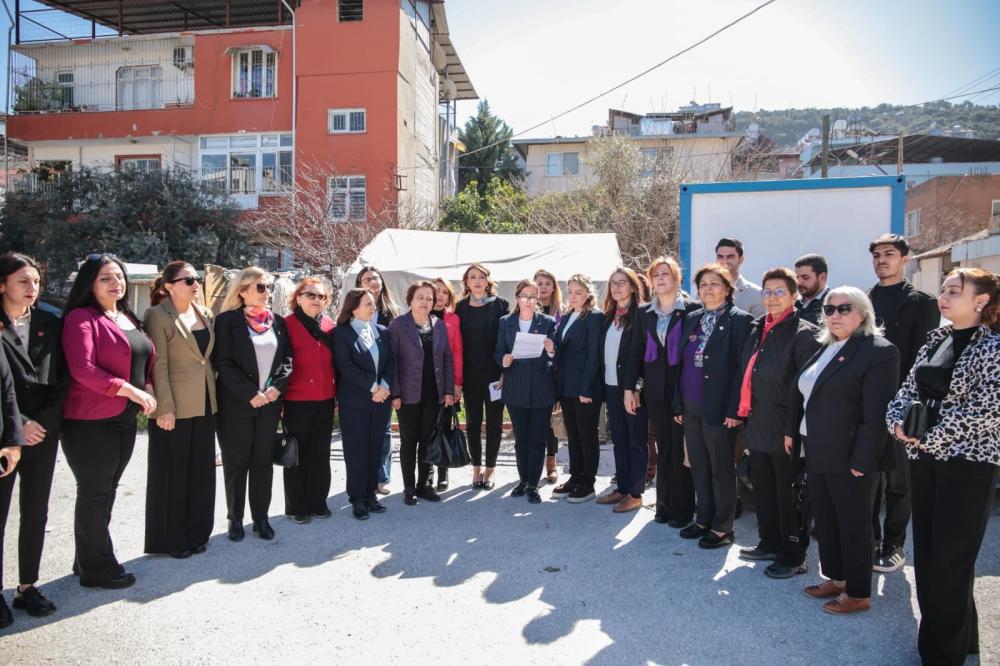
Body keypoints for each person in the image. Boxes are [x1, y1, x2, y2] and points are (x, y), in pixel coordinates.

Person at [886, 268, 1000, 663]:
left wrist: (927, 437)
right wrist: (897, 423)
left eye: (954, 290)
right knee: (932, 554)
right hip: (925, 460)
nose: (944, 297)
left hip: (968, 465)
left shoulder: (994, 347)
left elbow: (986, 409)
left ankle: (941, 654)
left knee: (952, 557)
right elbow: (907, 389)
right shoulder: (938, 338)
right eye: (944, 289)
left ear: (981, 300)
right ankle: (962, 638)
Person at [788, 287, 899, 615]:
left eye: (843, 309)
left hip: (852, 455)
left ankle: (859, 591)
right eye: (829, 309)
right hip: (819, 448)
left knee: (854, 524)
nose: (834, 315)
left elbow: (876, 413)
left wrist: (863, 460)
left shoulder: (879, 351)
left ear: (862, 313)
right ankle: (836, 578)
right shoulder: (827, 346)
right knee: (827, 520)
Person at [61, 254, 156, 589]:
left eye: (119, 276)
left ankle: (85, 557)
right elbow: (83, 370)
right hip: (89, 421)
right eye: (105, 278)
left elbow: (142, 359)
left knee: (106, 490)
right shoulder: (80, 318)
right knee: (95, 492)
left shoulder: (126, 315)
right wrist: (130, 390)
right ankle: (97, 569)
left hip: (123, 418)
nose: (116, 283)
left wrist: (147, 389)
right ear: (89, 283)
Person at [736, 267, 820, 578]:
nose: (771, 298)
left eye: (779, 292)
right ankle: (769, 541)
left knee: (789, 495)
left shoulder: (804, 333)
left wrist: (792, 429)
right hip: (758, 422)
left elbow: (806, 388)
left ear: (794, 296)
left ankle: (793, 554)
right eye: (767, 292)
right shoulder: (759, 328)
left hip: (786, 428)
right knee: (764, 490)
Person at [867, 233, 939, 573]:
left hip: (902, 403)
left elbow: (925, 360)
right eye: (878, 255)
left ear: (905, 259)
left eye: (890, 254)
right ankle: (867, 540)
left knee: (898, 482)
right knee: (866, 479)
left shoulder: (922, 303)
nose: (882, 260)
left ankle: (893, 545)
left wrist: (911, 406)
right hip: (865, 404)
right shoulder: (863, 300)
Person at [674, 264, 753, 548]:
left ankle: (723, 526)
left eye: (714, 283)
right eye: (703, 284)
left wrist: (735, 410)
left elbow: (742, 370)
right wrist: (678, 404)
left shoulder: (741, 321)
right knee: (698, 464)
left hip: (720, 407)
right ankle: (703, 518)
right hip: (690, 403)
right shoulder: (693, 317)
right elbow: (681, 364)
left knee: (721, 467)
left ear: (728, 288)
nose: (708, 288)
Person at [143, 261, 216, 559]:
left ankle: (198, 533)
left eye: (196, 278)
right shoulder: (157, 315)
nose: (195, 283)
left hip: (206, 403)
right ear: (169, 286)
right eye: (187, 280)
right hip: (174, 407)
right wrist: (165, 408)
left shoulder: (206, 313)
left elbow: (206, 360)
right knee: (173, 475)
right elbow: (157, 365)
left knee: (201, 473)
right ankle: (171, 540)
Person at [214, 267, 292, 542]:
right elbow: (223, 362)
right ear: (242, 289)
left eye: (268, 286)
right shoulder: (226, 321)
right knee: (237, 464)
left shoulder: (278, 322)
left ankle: (261, 517)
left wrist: (275, 389)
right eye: (261, 287)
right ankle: (235, 519)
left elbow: (286, 361)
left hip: (269, 405)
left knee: (262, 463)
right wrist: (250, 393)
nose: (267, 292)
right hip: (237, 405)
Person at [624, 257, 699, 527]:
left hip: (684, 389)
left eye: (666, 274)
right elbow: (635, 354)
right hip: (655, 390)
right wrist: (630, 389)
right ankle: (663, 506)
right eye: (656, 275)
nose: (660, 279)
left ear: (677, 278)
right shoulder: (645, 313)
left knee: (681, 448)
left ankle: (682, 510)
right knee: (664, 446)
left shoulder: (693, 310)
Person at [0, 253, 54, 625]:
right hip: (6, 430)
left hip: (43, 432)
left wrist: (41, 423)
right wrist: (19, 424)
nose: (32, 288)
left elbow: (60, 380)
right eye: (23, 281)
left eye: (35, 281)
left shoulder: (50, 320)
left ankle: (26, 586)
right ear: (2, 284)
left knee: (35, 511)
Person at [388, 281, 455, 506]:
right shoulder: (398, 325)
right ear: (411, 299)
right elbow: (392, 362)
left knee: (428, 440)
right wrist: (395, 394)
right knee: (409, 441)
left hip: (433, 394)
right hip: (407, 395)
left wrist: (448, 390)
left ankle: (424, 484)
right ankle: (409, 487)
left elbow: (446, 358)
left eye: (429, 298)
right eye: (420, 297)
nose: (425, 302)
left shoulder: (438, 325)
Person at [495, 279, 557, 504]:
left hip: (541, 388)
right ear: (517, 298)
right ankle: (522, 480)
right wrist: (504, 359)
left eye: (533, 296)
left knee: (538, 439)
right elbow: (498, 350)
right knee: (521, 439)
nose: (529, 301)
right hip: (516, 387)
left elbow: (557, 356)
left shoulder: (548, 322)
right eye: (524, 296)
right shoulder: (505, 322)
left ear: (537, 299)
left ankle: (534, 483)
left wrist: (551, 351)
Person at [333, 289, 393, 520]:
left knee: (375, 448)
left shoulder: (382, 331)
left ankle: (370, 494)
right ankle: (357, 498)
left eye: (373, 303)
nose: (373, 307)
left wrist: (385, 386)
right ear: (354, 307)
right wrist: (373, 388)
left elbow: (390, 362)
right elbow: (346, 367)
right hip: (355, 401)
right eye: (368, 303)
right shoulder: (342, 334)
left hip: (380, 401)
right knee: (356, 450)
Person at [282, 277, 336, 524]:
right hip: (296, 400)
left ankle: (318, 501)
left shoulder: (328, 325)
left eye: (321, 296)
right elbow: (280, 365)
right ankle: (296, 506)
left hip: (325, 399)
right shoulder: (286, 325)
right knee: (297, 454)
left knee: (320, 453)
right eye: (311, 295)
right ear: (299, 297)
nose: (316, 300)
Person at [454, 264, 509, 489]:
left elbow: (506, 341)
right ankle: (476, 469)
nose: (477, 281)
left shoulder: (501, 305)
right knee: (474, 423)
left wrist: (505, 372)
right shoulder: (460, 308)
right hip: (471, 376)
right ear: (466, 282)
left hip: (495, 375)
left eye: (481, 277)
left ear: (488, 280)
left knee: (494, 424)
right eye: (472, 277)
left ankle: (490, 470)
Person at [598, 267, 648, 513]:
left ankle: (636, 493)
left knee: (636, 440)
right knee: (619, 439)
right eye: (613, 282)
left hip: (632, 389)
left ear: (632, 286)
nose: (617, 287)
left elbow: (644, 358)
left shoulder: (643, 315)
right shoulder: (609, 316)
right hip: (611, 386)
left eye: (622, 282)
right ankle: (623, 487)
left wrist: (636, 387)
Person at [553, 273, 603, 503]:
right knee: (573, 435)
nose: (573, 296)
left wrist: (586, 388)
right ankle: (575, 476)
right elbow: (563, 351)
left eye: (578, 292)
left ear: (588, 294)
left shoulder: (593, 317)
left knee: (587, 435)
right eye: (570, 291)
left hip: (584, 387)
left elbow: (594, 355)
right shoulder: (566, 315)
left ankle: (588, 482)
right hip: (566, 386)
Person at [356, 266, 398, 495]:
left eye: (375, 278)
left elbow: (394, 352)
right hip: (361, 382)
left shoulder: (392, 312)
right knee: (363, 432)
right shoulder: (352, 312)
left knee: (384, 433)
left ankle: (381, 478)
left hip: (385, 382)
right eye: (366, 279)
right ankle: (363, 477)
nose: (372, 281)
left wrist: (386, 384)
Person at [429, 277, 463, 491]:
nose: (440, 296)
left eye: (444, 292)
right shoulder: (419, 316)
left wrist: (457, 383)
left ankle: (443, 472)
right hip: (425, 383)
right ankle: (427, 473)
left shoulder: (453, 319)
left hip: (447, 382)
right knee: (426, 430)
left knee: (444, 426)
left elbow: (457, 351)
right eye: (436, 291)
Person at [534, 269, 563, 483]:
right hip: (531, 372)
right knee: (532, 422)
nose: (543, 287)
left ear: (554, 287)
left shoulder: (562, 312)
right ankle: (530, 465)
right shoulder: (525, 309)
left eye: (547, 283)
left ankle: (551, 462)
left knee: (550, 421)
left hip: (554, 372)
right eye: (539, 283)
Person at [715, 238, 765, 318]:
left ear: (741, 259)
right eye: (720, 257)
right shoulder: (705, 290)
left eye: (730, 257)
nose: (724, 261)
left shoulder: (756, 294)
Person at [793, 254, 829, 326]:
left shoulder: (832, 306)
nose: (799, 282)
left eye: (805, 277)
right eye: (796, 277)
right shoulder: (791, 302)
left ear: (822, 277)